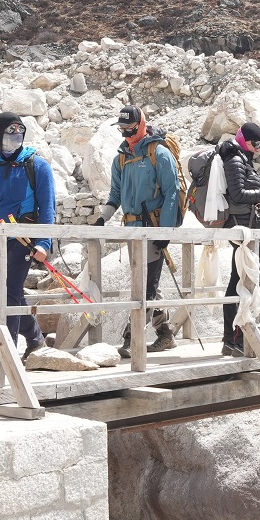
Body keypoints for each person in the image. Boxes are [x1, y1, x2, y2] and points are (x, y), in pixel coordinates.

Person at [0, 112, 55, 359]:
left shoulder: (37, 165)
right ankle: (36, 339)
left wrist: (44, 242)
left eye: (20, 129)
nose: (16, 134)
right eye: (10, 130)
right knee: (10, 292)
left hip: (23, 238)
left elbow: (47, 206)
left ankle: (6, 357)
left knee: (8, 294)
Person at [99, 105, 181, 357]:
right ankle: (165, 334)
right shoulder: (120, 159)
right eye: (121, 128)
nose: (125, 133)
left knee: (145, 286)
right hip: (132, 230)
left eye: (129, 128)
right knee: (148, 285)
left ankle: (130, 338)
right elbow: (115, 193)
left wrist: (164, 231)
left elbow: (172, 191)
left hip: (152, 228)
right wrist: (102, 219)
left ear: (141, 124)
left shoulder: (160, 153)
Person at [220, 122, 260, 355]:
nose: (258, 148)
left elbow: (245, 194)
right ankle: (234, 338)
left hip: (246, 228)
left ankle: (234, 338)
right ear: (243, 140)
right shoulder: (235, 160)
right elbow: (237, 194)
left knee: (239, 279)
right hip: (242, 229)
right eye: (255, 143)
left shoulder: (241, 158)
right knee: (241, 282)